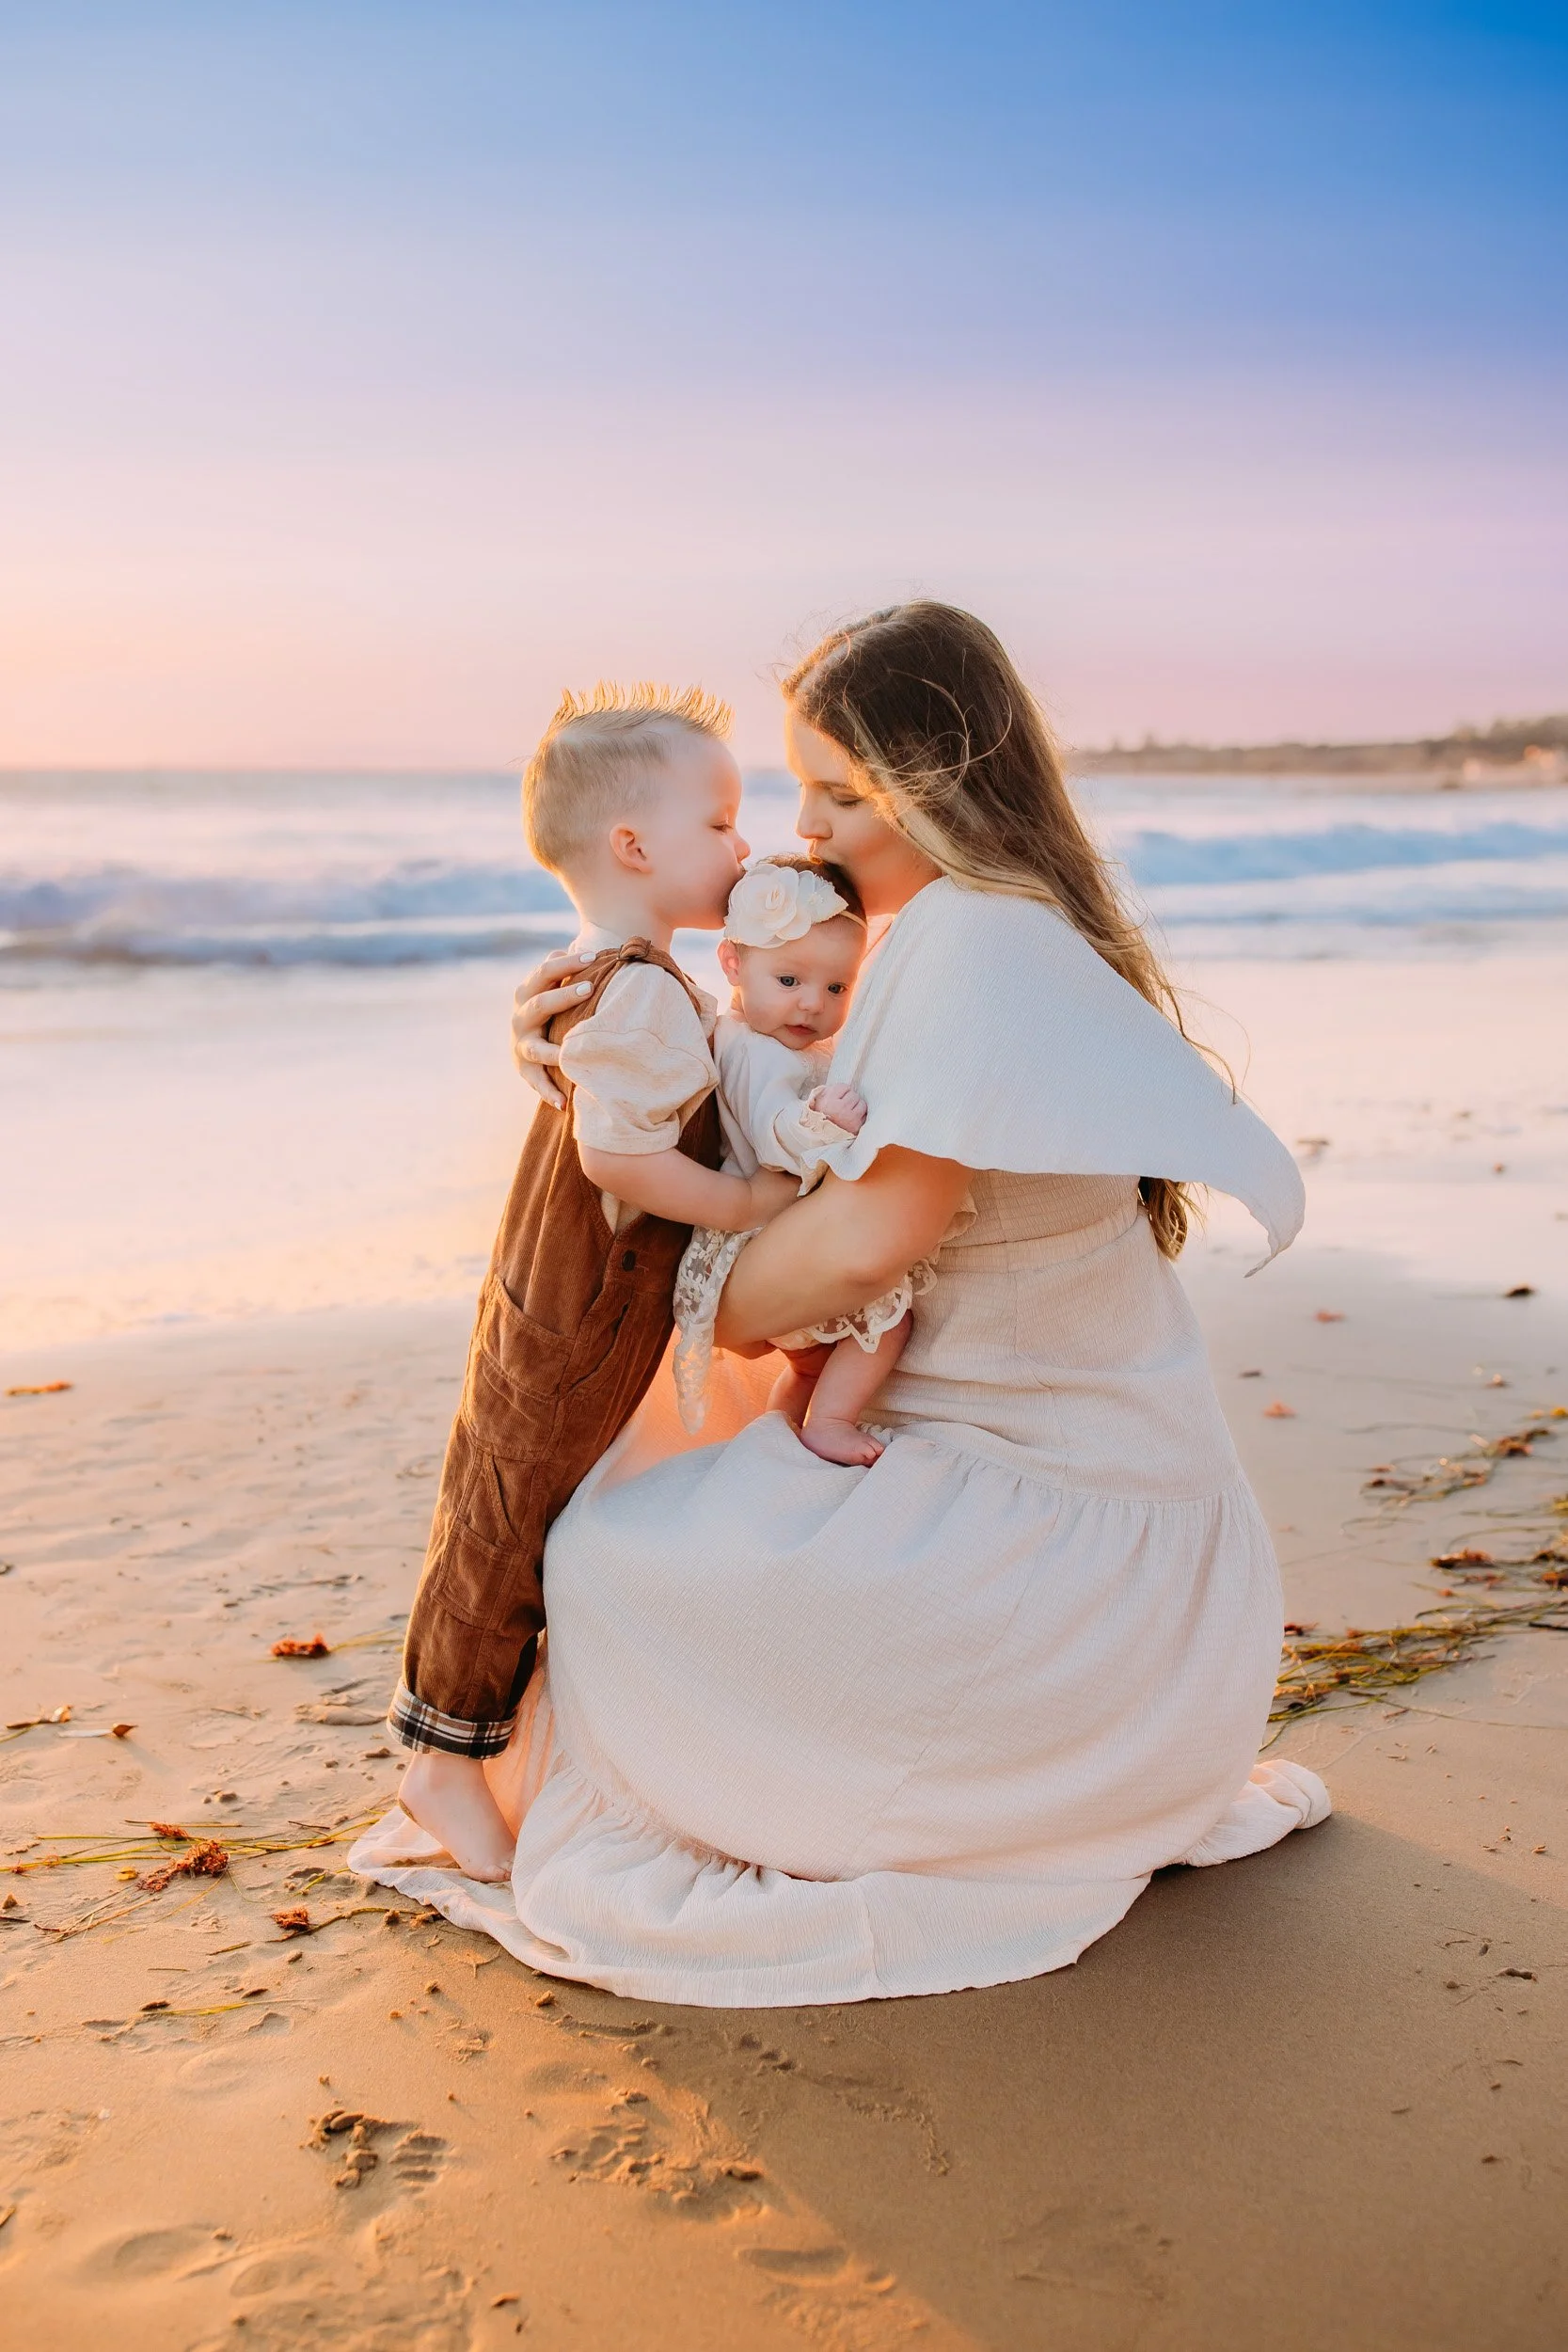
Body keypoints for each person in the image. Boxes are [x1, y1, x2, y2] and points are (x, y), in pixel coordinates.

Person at [356, 602, 1329, 2005]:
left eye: (838, 793)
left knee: (612, 1564)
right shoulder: (942, 931)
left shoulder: (976, 948)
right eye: (793, 790)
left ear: (933, 787)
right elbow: (766, 1054)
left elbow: (868, 1243)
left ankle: (479, 1737)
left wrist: (669, 1284)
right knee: (634, 1514)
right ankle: (470, 1735)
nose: (802, 832)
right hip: (1061, 1528)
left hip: (1083, 1588)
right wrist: (590, 1044)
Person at [388, 682, 796, 1882]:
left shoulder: (617, 972)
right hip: (579, 1298)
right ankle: (441, 1763)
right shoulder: (633, 987)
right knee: (511, 1504)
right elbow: (617, 1156)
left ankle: (493, 1744)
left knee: (514, 1491)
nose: (744, 842)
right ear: (633, 846)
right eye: (720, 822)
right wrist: (745, 1204)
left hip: (559, 1276)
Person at [672, 850, 965, 1465]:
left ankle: (775, 1431)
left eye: (836, 987)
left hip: (770, 1234)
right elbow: (771, 1128)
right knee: (887, 1322)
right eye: (789, 981)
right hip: (768, 1235)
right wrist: (820, 1122)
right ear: (732, 962)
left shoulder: (754, 1035)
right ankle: (830, 1421)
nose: (811, 1004)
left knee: (808, 1362)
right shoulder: (757, 1053)